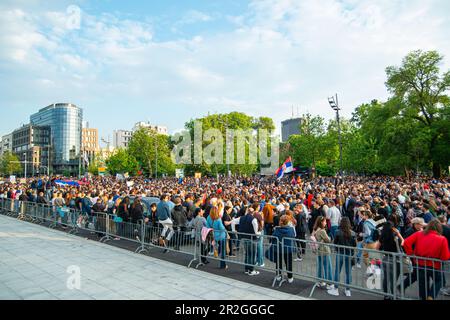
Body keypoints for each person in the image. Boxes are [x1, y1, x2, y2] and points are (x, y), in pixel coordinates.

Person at [403, 219, 450, 300]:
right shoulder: (442, 239)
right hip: (434, 265)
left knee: (423, 284)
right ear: (439, 228)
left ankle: (425, 297)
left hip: (419, 263)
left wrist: (411, 254)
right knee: (439, 280)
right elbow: (445, 257)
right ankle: (431, 296)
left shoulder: (419, 234)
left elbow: (406, 242)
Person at [328, 217, 356, 297]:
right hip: (349, 254)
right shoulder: (353, 233)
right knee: (348, 273)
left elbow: (335, 243)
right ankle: (348, 290)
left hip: (340, 253)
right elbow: (354, 245)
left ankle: (336, 289)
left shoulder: (337, 232)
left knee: (337, 271)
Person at [378, 221, 403, 300]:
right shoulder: (395, 237)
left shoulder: (382, 237)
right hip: (394, 259)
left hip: (385, 258)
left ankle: (386, 295)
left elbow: (377, 247)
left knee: (386, 278)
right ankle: (393, 295)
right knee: (393, 279)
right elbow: (403, 243)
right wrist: (399, 233)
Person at [273, 215, 296, 284]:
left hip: (279, 248)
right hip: (288, 248)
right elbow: (293, 235)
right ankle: (290, 277)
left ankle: (278, 275)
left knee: (278, 262)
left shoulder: (277, 229)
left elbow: (273, 237)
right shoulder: (291, 229)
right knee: (289, 263)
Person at [313, 216, 333, 289]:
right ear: (321, 222)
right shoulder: (322, 231)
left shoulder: (315, 229)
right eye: (324, 221)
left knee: (320, 267)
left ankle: (320, 281)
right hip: (324, 250)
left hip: (318, 250)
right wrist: (330, 237)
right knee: (328, 267)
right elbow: (328, 240)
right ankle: (330, 283)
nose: (325, 223)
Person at [206, 206, 228, 270]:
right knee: (223, 251)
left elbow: (208, 226)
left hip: (214, 236)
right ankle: (223, 265)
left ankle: (217, 253)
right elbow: (222, 228)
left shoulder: (208, 218)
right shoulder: (218, 219)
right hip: (221, 236)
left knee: (219, 248)